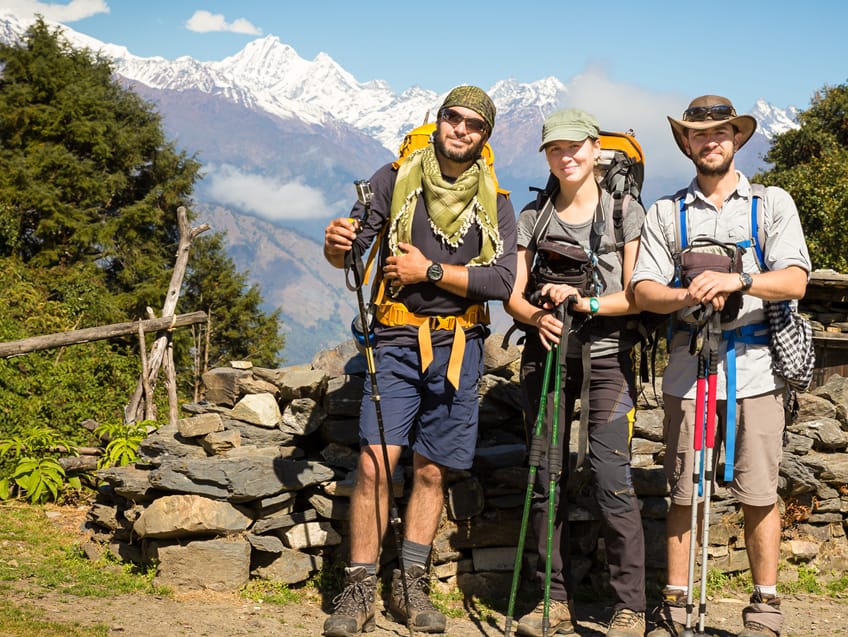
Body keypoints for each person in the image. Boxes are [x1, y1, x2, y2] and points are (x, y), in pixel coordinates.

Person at [321, 85, 517, 637]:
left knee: (432, 469)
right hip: (396, 340)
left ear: (485, 137)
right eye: (452, 119)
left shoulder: (495, 201)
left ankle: (410, 584)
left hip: (461, 347)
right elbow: (351, 249)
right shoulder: (391, 178)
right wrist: (336, 244)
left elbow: (501, 281)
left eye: (473, 125)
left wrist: (426, 271)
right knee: (374, 462)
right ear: (437, 122)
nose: (460, 129)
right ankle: (358, 590)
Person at [630, 95, 811, 637]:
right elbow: (642, 290)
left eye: (722, 133)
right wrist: (687, 293)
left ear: (736, 139)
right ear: (686, 143)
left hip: (756, 369)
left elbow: (797, 281)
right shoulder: (667, 212)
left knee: (759, 491)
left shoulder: (772, 204)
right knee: (684, 491)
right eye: (699, 134)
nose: (711, 141)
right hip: (690, 365)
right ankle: (676, 606)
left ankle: (765, 607)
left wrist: (740, 280)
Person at [504, 108, 648, 637]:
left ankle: (630, 606)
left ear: (595, 148)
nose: (567, 156)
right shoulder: (533, 216)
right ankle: (551, 601)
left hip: (607, 358)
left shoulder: (624, 211)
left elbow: (636, 296)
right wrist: (539, 315)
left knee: (612, 480)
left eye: (575, 147)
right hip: (545, 359)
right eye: (555, 149)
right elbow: (512, 298)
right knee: (546, 480)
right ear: (546, 155)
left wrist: (582, 302)